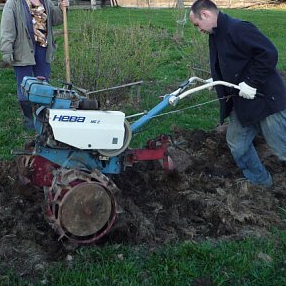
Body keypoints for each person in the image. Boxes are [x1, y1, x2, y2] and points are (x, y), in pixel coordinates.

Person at [189, 0, 286, 188]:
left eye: (197, 24)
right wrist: (216, 79)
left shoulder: (238, 29)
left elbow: (269, 54)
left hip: (266, 101)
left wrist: (251, 83)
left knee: (282, 149)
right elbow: (231, 63)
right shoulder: (216, 35)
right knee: (237, 144)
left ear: (206, 15)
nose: (198, 29)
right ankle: (260, 182)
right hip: (242, 103)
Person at [0, 0, 69, 130]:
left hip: (43, 48)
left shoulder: (46, 2)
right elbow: (7, 28)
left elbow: (56, 20)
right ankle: (28, 120)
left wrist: (61, 8)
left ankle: (41, 119)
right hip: (23, 49)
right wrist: (6, 49)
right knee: (24, 85)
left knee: (44, 85)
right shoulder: (14, 3)